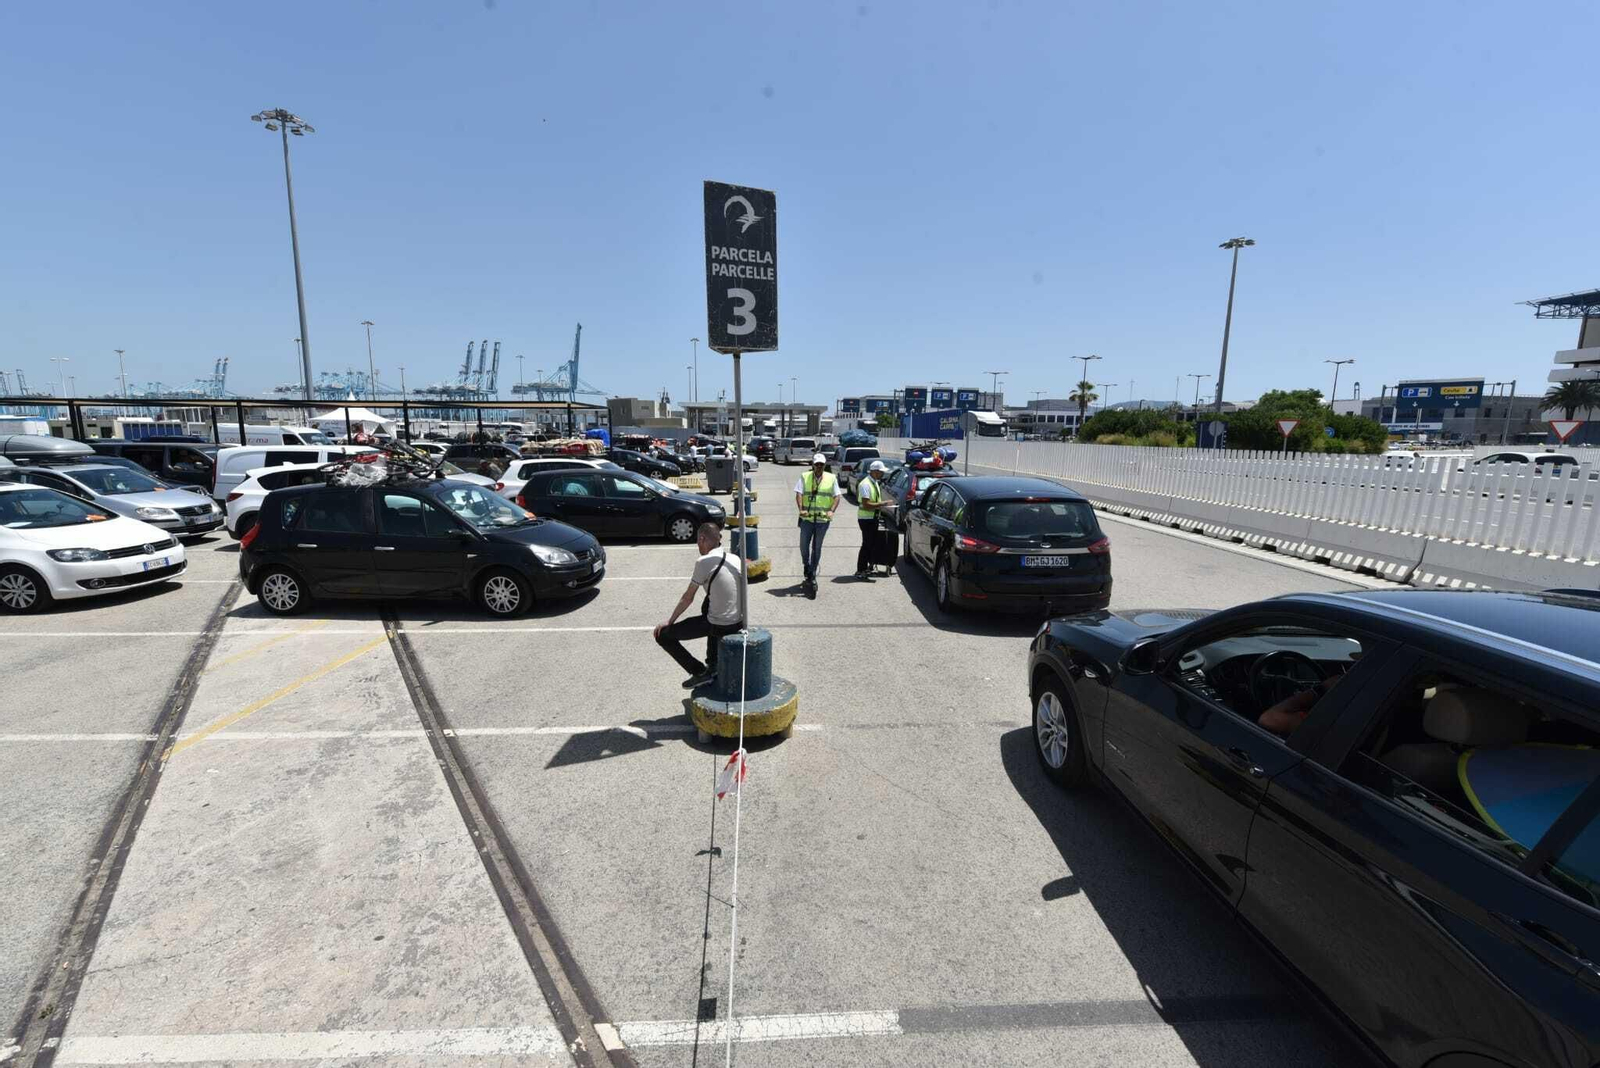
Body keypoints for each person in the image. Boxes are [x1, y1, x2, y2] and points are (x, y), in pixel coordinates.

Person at [655, 522, 746, 689]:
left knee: (663, 636)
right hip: (738, 622)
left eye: (698, 541)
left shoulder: (704, 561)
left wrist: (670, 621)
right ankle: (713, 663)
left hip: (719, 625)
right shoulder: (735, 559)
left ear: (702, 539)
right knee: (708, 603)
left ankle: (699, 672)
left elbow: (688, 598)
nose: (698, 545)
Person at [792, 453, 839, 599]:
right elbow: (799, 493)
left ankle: (812, 572)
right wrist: (801, 509)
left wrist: (831, 511)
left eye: (821, 465)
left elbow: (837, 496)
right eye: (817, 464)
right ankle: (806, 564)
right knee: (803, 546)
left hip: (822, 521)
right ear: (813, 465)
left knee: (817, 547)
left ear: (825, 465)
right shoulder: (805, 476)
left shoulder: (831, 478)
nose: (819, 467)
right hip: (807, 519)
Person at [853, 460, 891, 580]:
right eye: (881, 472)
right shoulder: (866, 484)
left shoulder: (874, 482)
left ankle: (867, 567)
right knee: (867, 544)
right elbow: (866, 504)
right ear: (875, 472)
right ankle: (860, 570)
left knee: (871, 544)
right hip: (866, 519)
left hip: (872, 517)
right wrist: (883, 504)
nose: (882, 474)